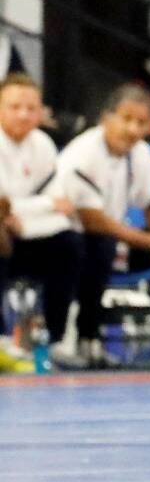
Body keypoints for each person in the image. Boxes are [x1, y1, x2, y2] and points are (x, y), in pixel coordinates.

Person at [57, 83, 150, 369]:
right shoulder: (83, 153)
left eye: (141, 122)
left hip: (114, 240)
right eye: (126, 119)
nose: (132, 129)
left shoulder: (140, 153)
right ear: (106, 118)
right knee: (99, 246)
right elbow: (94, 221)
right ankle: (85, 337)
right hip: (74, 241)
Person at [0, 73, 75, 372]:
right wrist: (38, 207)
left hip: (31, 233)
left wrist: (22, 215)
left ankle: (53, 339)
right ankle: (3, 339)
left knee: (71, 243)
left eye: (31, 108)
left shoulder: (43, 144)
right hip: (4, 235)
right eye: (15, 106)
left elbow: (62, 204)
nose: (24, 114)